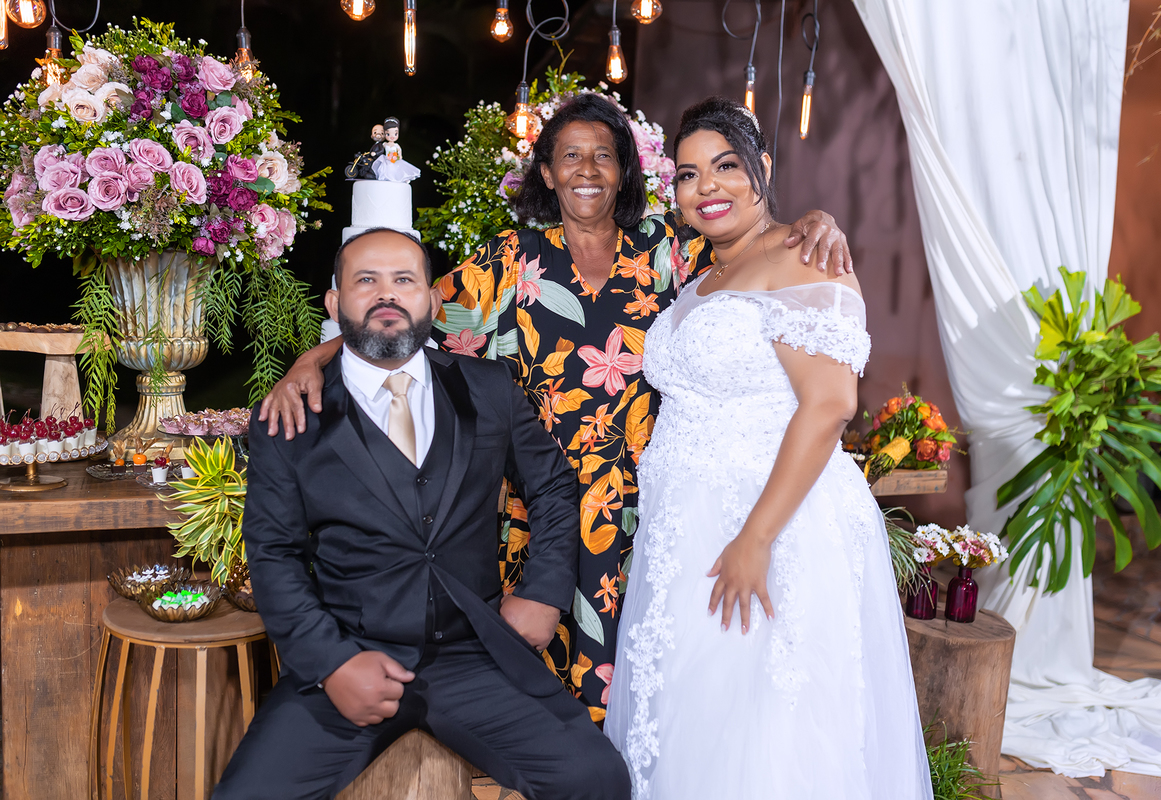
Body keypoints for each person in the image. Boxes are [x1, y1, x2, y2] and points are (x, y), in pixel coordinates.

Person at [258, 93, 853, 718]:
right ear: (547, 172)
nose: (587, 170)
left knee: (653, 684)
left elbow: (755, 254)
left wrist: (815, 223)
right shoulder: (509, 261)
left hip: (650, 510)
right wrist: (312, 359)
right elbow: (399, 311)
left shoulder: (670, 250)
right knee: (537, 695)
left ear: (624, 171)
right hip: (541, 514)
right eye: (570, 156)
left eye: (604, 156)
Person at [213, 228, 630, 800]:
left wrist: (543, 592)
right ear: (334, 302)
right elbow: (273, 555)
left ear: (432, 301)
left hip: (476, 654)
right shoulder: (291, 415)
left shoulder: (487, 388)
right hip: (352, 654)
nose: (386, 294)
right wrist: (331, 664)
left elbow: (554, 486)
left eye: (404, 280)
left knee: (597, 779)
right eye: (366, 280)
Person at [602, 97, 932, 799]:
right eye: (688, 175)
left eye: (726, 166)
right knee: (697, 721)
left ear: (764, 169)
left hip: (773, 526)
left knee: (767, 733)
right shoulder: (700, 278)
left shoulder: (806, 256)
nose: (707, 187)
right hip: (687, 531)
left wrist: (756, 538)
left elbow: (831, 405)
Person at [371, 116, 421, 183]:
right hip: (387, 160)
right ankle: (386, 178)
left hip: (394, 160)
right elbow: (380, 149)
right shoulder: (385, 144)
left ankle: (403, 179)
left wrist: (400, 155)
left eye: (395, 134)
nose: (392, 136)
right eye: (388, 134)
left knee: (398, 170)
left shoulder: (396, 145)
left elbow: (399, 151)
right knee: (386, 170)